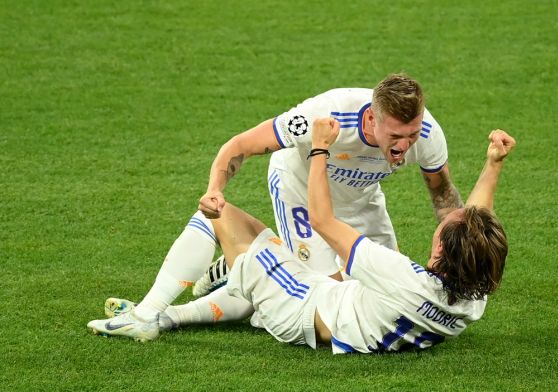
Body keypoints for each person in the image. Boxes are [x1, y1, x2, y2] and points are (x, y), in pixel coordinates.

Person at [88, 127, 515, 353]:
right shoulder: (472, 296)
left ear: (441, 249)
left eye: (443, 228)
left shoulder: (400, 276)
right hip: (341, 304)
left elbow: (322, 219)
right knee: (266, 257)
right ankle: (174, 316)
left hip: (301, 306)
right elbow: (476, 228)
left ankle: (146, 314)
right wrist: (492, 164)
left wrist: (319, 151)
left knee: (221, 215)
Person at [92, 73, 463, 329]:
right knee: (325, 298)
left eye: (412, 134)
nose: (405, 145)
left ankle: (228, 275)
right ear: (373, 120)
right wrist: (214, 190)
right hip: (299, 190)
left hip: (361, 204)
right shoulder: (325, 114)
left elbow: (443, 195)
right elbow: (240, 146)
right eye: (397, 135)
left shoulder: (427, 135)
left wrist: (462, 254)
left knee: (385, 297)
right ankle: (202, 292)